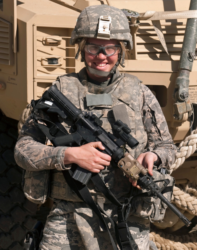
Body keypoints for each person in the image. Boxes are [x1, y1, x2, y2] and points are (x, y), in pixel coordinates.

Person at [14, 5, 176, 250]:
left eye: (110, 47)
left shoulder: (140, 93)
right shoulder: (60, 92)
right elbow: (23, 150)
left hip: (125, 212)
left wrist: (153, 155)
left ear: (121, 51)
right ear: (81, 48)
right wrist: (70, 155)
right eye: (93, 47)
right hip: (68, 213)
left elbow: (167, 148)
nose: (102, 56)